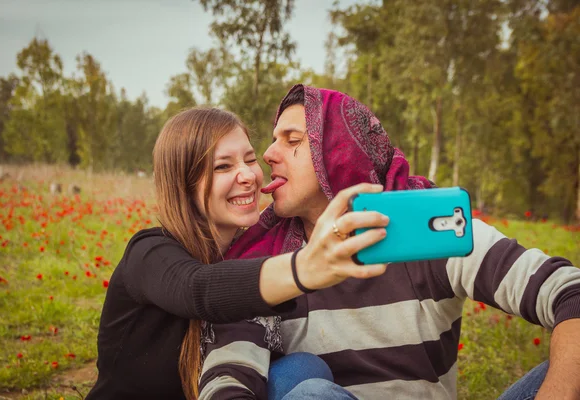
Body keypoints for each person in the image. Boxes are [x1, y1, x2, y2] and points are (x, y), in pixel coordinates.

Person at [199, 85, 580, 399]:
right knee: (309, 390)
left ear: (338, 151)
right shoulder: (266, 263)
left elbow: (570, 293)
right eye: (272, 140)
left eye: (292, 139)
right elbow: (228, 376)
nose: (267, 155)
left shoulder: (431, 230)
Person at [84, 107, 390, 400]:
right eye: (223, 166)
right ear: (184, 184)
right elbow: (198, 288)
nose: (248, 176)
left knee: (304, 368)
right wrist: (305, 268)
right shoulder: (149, 253)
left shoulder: (251, 254)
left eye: (249, 159)